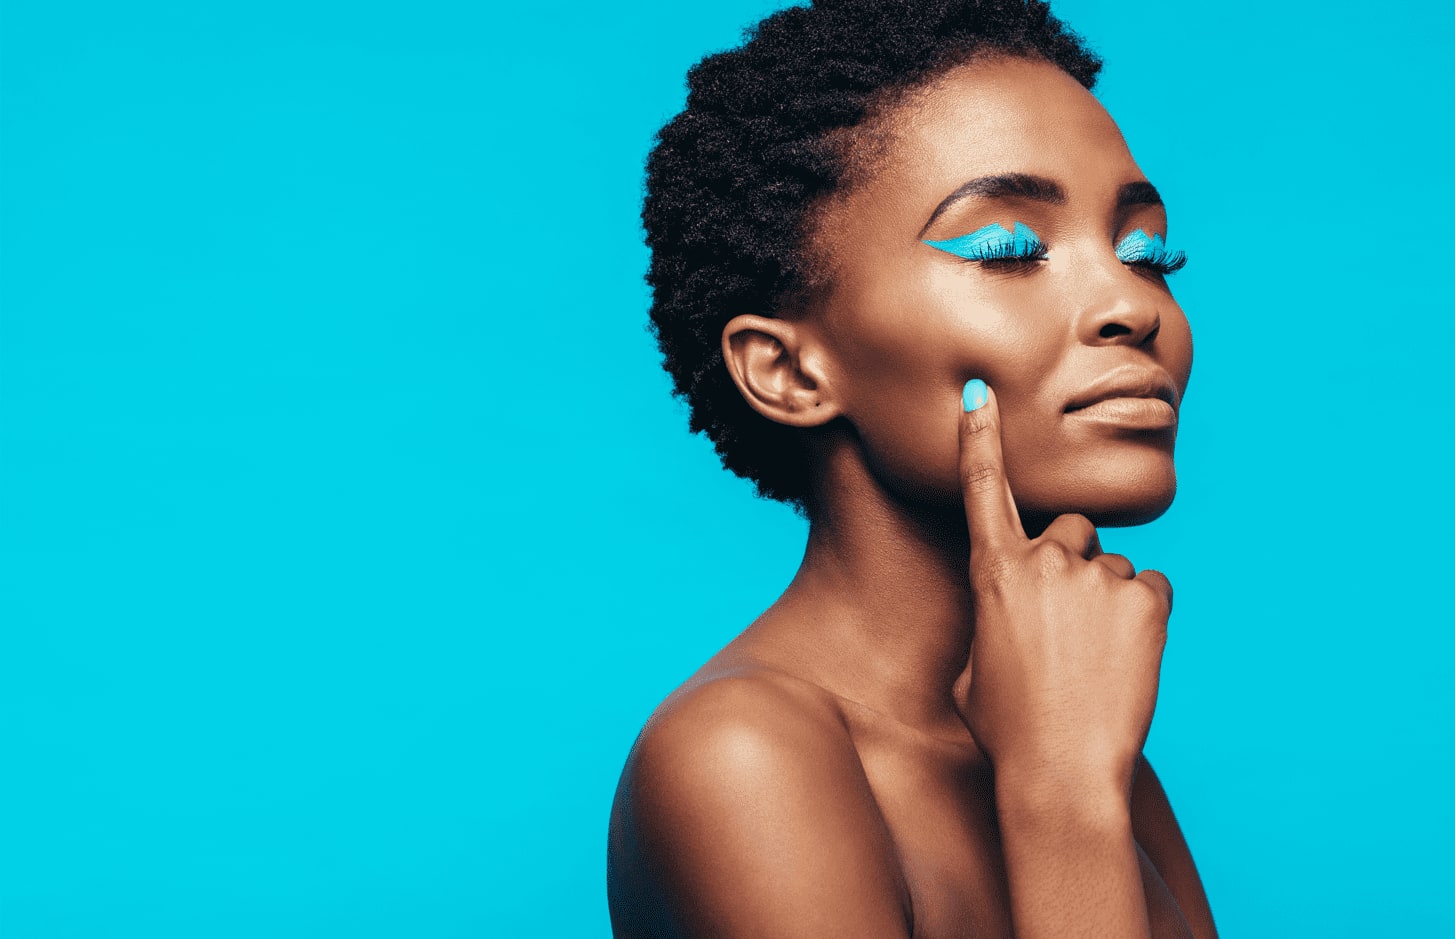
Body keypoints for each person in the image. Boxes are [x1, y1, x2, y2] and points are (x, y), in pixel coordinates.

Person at [608, 0, 1217, 935]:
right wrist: (1060, 800)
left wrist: (1071, 778)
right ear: (789, 369)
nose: (1128, 304)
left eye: (1146, 250)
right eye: (1009, 248)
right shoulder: (741, 754)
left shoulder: (1086, 740)